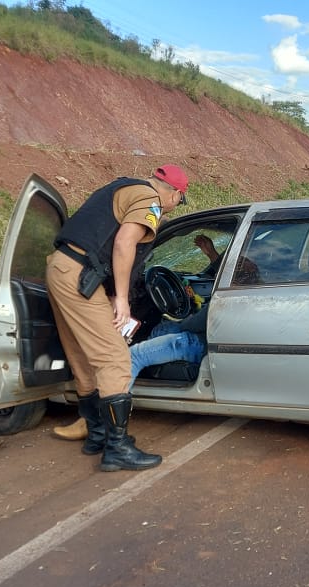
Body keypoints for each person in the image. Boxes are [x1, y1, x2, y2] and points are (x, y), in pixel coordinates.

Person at [46, 164, 189, 472]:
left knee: (82, 355)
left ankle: (97, 435)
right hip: (79, 276)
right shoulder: (149, 200)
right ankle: (118, 449)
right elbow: (125, 243)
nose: (174, 207)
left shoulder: (122, 187)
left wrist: (110, 291)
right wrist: (122, 298)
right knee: (115, 358)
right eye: (179, 201)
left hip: (61, 269)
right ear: (175, 195)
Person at [53, 235, 219, 441]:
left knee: (130, 357)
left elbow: (199, 321)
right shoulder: (253, 274)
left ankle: (97, 421)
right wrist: (212, 255)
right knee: (162, 329)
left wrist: (181, 324)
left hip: (199, 343)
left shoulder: (233, 292)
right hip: (207, 336)